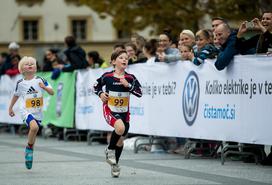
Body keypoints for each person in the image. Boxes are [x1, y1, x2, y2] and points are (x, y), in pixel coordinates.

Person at [93, 49, 142, 177]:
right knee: (119, 128)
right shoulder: (107, 76)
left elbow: (139, 93)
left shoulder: (130, 78)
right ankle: (109, 149)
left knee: (120, 141)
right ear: (114, 62)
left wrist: (128, 86)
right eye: (121, 58)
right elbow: (95, 86)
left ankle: (115, 164)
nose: (124, 60)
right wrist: (101, 94)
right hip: (110, 109)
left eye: (126, 58)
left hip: (125, 113)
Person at [8, 56, 54, 170]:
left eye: (32, 64)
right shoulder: (20, 83)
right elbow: (16, 95)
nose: (29, 65)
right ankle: (29, 148)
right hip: (25, 110)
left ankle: (30, 149)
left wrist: (45, 88)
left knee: (35, 130)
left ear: (35, 68)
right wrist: (10, 108)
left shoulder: (40, 80)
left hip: (38, 112)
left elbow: (52, 92)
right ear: (21, 69)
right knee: (34, 128)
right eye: (26, 64)